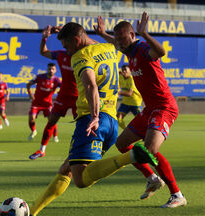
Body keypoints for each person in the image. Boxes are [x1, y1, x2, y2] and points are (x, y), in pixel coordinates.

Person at [29, 22, 157, 216]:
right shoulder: (108, 47)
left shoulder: (80, 56)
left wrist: (95, 116)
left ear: (76, 40)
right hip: (111, 121)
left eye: (66, 46)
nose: (67, 51)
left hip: (91, 120)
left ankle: (132, 156)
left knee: (80, 179)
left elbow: (90, 86)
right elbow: (92, 42)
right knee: (67, 168)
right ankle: (32, 211)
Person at [94, 12, 187, 207]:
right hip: (149, 110)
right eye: (117, 38)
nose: (118, 41)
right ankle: (153, 178)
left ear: (132, 35)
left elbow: (160, 52)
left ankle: (177, 194)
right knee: (122, 144)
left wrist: (145, 34)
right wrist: (103, 34)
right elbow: (116, 41)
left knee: (150, 149)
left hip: (164, 108)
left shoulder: (143, 48)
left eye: (122, 37)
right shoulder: (129, 51)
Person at [28, 25, 79, 160]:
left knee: (82, 125)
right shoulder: (61, 55)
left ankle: (82, 152)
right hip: (63, 95)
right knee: (51, 121)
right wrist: (44, 39)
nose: (63, 45)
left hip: (79, 97)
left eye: (65, 42)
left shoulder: (82, 54)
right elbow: (43, 52)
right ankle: (41, 150)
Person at [27, 63, 61, 156]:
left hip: (47, 104)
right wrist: (30, 94)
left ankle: (55, 136)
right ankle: (33, 131)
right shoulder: (40, 77)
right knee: (31, 119)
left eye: (53, 69)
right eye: (49, 69)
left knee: (52, 121)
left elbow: (63, 87)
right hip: (36, 103)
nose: (51, 70)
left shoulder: (57, 80)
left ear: (55, 70)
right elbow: (28, 84)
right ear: (47, 69)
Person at [117, 64, 143, 129]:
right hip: (125, 102)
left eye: (125, 70)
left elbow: (129, 93)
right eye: (123, 70)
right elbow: (117, 88)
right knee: (118, 118)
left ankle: (145, 135)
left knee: (141, 121)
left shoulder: (132, 79)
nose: (124, 71)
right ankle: (126, 131)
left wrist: (118, 93)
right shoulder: (120, 77)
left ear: (130, 71)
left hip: (135, 103)